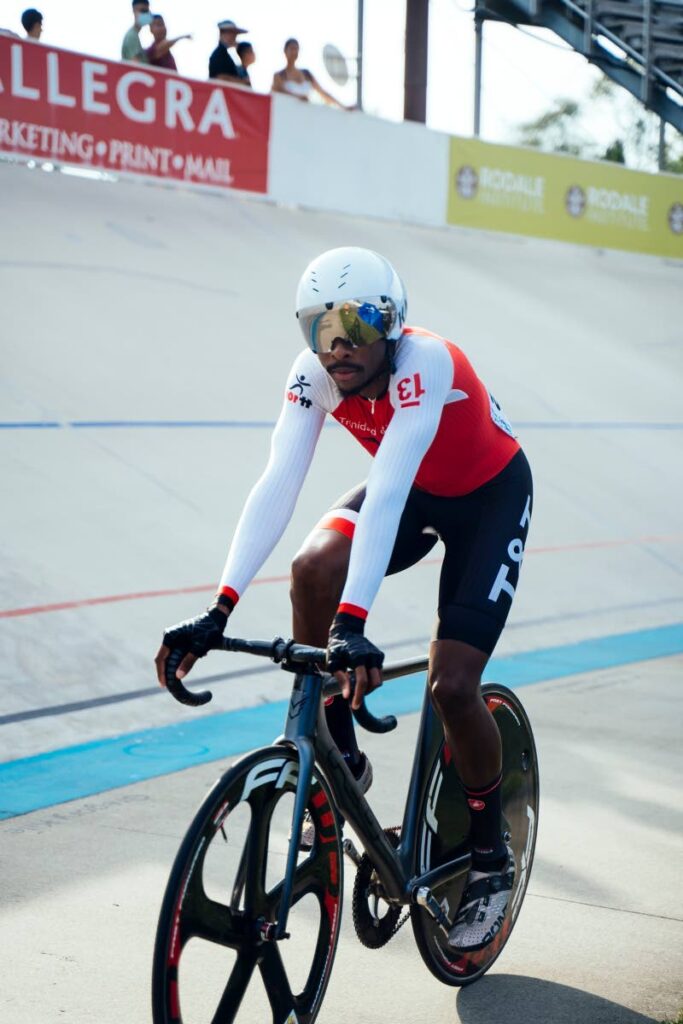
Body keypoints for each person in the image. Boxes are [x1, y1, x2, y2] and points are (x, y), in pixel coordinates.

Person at [155, 247, 533, 953]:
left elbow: (387, 487)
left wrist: (352, 623)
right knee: (311, 566)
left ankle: (489, 856)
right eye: (318, 329)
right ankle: (340, 751)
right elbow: (277, 483)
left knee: (452, 686)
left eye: (357, 325)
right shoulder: (312, 377)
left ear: (391, 326)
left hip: (487, 500)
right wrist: (219, 609)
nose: (338, 347)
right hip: (417, 493)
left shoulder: (426, 363)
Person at [271, 38, 346, 107]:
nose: (294, 52)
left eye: (296, 49)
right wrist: (298, 97)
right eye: (291, 49)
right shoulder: (279, 76)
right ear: (285, 51)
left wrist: (342, 106)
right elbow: (279, 94)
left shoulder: (306, 74)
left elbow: (322, 93)